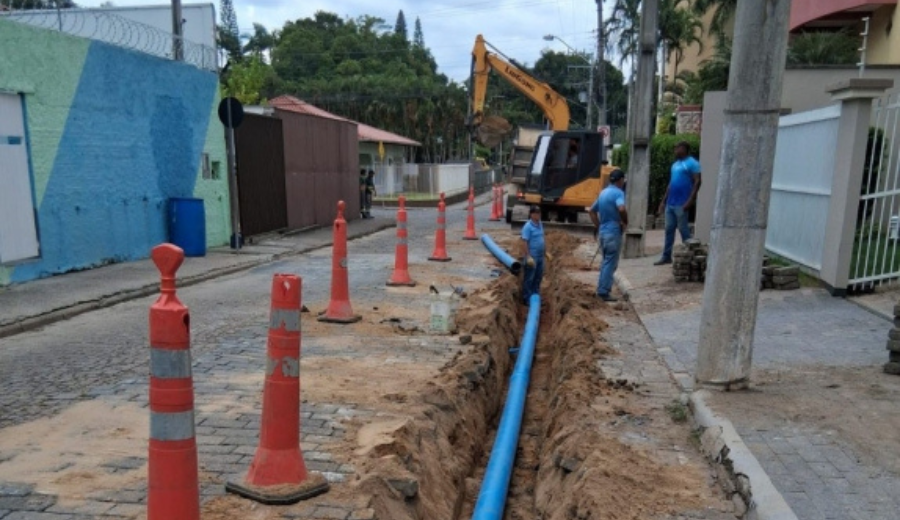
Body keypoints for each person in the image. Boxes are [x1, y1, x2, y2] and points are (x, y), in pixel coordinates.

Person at [655, 141, 701, 265]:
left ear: (684, 149)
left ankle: (691, 254)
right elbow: (670, 184)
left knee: (683, 229)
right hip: (671, 203)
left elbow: (697, 182)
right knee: (669, 229)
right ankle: (666, 256)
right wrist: (663, 201)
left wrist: (690, 200)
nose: (675, 151)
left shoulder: (692, 163)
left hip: (682, 203)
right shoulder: (675, 165)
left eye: (677, 148)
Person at [589, 169, 628, 302]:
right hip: (613, 231)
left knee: (606, 261)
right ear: (620, 180)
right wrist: (625, 221)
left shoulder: (603, 193)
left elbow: (592, 211)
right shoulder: (618, 193)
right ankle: (603, 291)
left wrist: (598, 226)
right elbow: (621, 208)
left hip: (603, 232)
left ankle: (602, 288)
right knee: (611, 262)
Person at [519, 205, 545, 304]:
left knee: (538, 277)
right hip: (532, 256)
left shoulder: (540, 224)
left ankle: (535, 296)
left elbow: (542, 238)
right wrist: (528, 256)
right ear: (531, 214)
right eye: (536, 213)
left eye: (539, 213)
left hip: (540, 256)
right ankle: (527, 298)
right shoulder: (528, 227)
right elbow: (524, 242)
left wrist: (545, 251)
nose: (538, 215)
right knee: (530, 278)